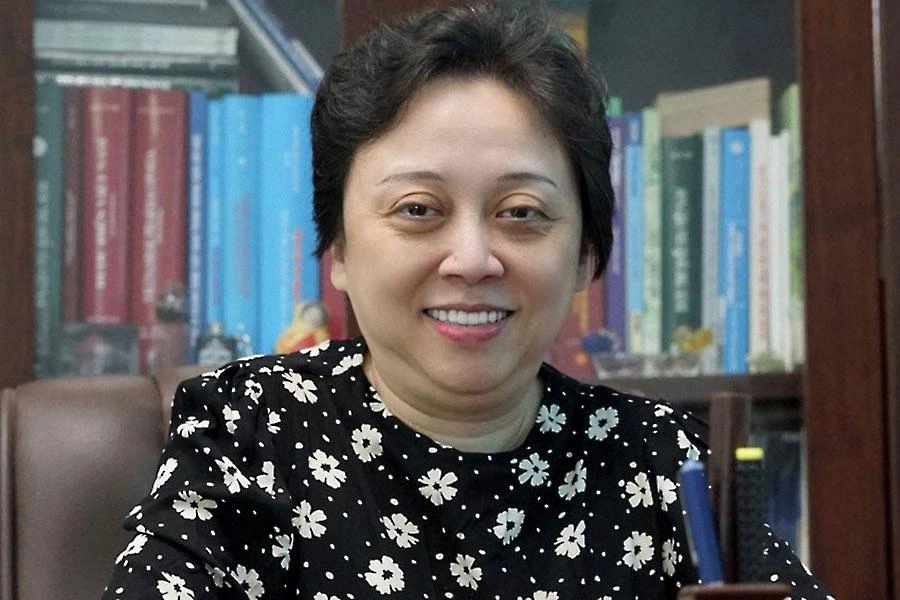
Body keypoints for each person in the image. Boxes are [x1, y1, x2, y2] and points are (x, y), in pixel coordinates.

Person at [103, 3, 832, 599]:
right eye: (419, 210)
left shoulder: (667, 464)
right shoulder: (247, 433)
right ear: (340, 250)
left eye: (521, 213)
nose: (474, 260)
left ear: (586, 253)